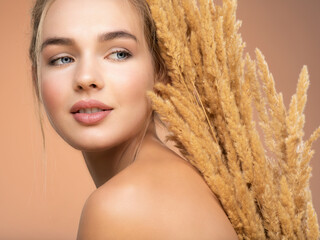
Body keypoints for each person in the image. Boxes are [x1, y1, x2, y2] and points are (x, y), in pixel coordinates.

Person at [29, 0, 238, 239]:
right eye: (63, 59)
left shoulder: (119, 206)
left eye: (119, 54)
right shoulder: (178, 180)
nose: (86, 78)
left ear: (162, 70)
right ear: (36, 78)